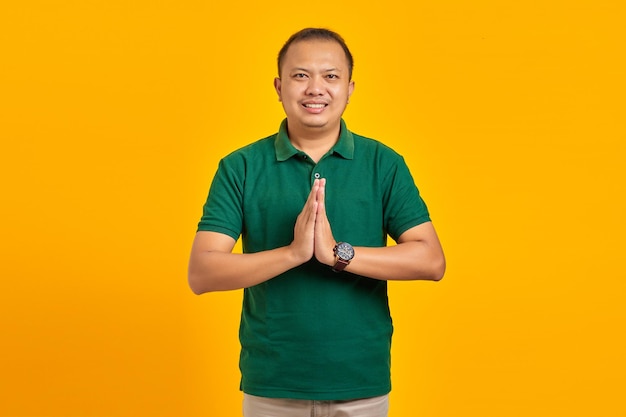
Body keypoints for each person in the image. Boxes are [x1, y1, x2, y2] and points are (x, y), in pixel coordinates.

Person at [188, 27, 445, 417]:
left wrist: (337, 254)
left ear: (349, 87)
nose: (315, 88)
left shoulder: (383, 163)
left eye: (330, 76)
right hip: (272, 384)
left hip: (360, 382)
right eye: (300, 75)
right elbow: (202, 272)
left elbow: (431, 261)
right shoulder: (240, 166)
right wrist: (293, 253)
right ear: (279, 86)